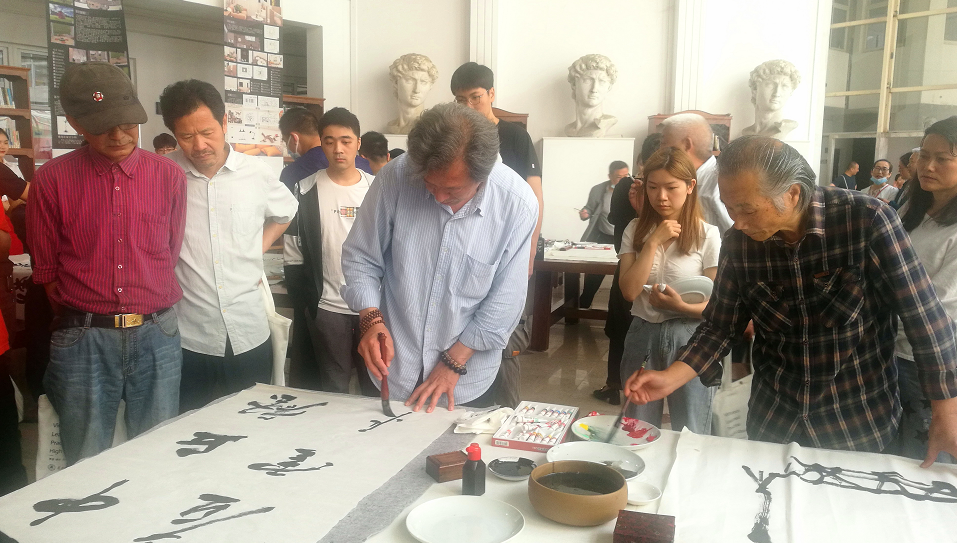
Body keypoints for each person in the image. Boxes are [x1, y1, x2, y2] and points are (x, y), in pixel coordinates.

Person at [625, 135, 957, 466]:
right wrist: (671, 377)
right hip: (775, 419)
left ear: (793, 193)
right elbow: (720, 326)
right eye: (729, 206)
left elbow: (923, 316)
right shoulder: (740, 243)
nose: (738, 222)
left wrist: (946, 411)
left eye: (748, 209)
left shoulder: (865, 220)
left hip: (855, 419)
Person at [27, 62, 187, 464]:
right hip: (84, 337)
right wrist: (87, 316)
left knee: (157, 454)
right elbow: (47, 273)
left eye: (127, 123)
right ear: (75, 123)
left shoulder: (168, 176)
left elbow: (169, 250)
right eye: (103, 126)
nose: (119, 135)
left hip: (157, 333)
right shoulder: (52, 179)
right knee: (86, 458)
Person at [341, 103, 538, 413]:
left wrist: (453, 362)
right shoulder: (396, 177)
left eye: (453, 190)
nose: (439, 197)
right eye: (429, 184)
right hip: (392, 368)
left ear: (482, 176)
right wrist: (370, 318)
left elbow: (506, 301)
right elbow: (361, 257)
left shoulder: (517, 204)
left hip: (466, 380)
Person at [159, 79, 298, 412]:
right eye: (186, 136)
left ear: (224, 122)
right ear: (174, 134)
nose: (200, 145)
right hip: (189, 335)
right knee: (189, 426)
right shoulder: (164, 174)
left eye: (207, 132)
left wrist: (257, 248)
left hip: (248, 329)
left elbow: (286, 211)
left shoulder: (256, 173)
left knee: (251, 422)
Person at [451, 62, 544, 408]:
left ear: (491, 94)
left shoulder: (515, 136)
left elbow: (534, 196)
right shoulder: (456, 136)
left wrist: (529, 252)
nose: (469, 106)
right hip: (467, 246)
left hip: (508, 246)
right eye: (460, 100)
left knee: (503, 334)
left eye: (475, 97)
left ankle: (505, 410)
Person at [617, 147, 720, 433]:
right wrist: (652, 243)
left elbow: (717, 305)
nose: (661, 196)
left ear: (690, 186)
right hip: (643, 332)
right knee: (636, 428)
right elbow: (629, 291)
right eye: (652, 187)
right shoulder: (634, 230)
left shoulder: (708, 235)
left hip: (690, 337)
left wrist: (681, 307)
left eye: (671, 188)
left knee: (691, 429)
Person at [278, 107, 371, 391]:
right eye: (329, 141)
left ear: (358, 143)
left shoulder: (376, 189)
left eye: (345, 141)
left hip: (372, 306)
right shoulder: (305, 189)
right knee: (333, 385)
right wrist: (308, 305)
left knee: (374, 382)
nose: (338, 149)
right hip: (327, 307)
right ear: (321, 143)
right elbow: (293, 250)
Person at [896, 116, 957, 463]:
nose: (927, 166)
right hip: (890, 351)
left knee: (924, 461)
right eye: (924, 155)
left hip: (927, 363)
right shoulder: (912, 207)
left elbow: (940, 307)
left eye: (942, 159)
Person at [594, 133, 660, 405]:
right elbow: (623, 234)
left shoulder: (629, 187)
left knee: (634, 328)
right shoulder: (628, 187)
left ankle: (617, 384)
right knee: (624, 325)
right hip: (632, 264)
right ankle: (618, 384)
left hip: (638, 264)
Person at [659, 113, 732, 235]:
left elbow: (734, 234)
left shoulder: (720, 184)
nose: (660, 150)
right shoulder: (678, 177)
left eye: (664, 143)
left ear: (687, 145)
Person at [577, 160, 630, 309]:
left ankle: (620, 309)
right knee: (596, 273)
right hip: (603, 236)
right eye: (619, 177)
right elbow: (589, 208)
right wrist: (585, 213)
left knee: (623, 272)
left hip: (624, 236)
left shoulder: (632, 189)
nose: (624, 180)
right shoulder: (598, 190)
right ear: (610, 176)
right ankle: (584, 302)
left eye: (626, 176)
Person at [741, 59, 801, 139]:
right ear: (755, 90)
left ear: (791, 92)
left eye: (784, 86)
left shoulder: (785, 127)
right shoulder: (747, 132)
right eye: (770, 85)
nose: (777, 93)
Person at [564, 54, 618, 137]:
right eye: (588, 80)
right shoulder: (569, 129)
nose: (594, 89)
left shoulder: (604, 123)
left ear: (609, 87)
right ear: (574, 84)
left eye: (602, 81)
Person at [386, 53, 439, 135]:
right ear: (396, 82)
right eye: (409, 81)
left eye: (423, 82)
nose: (416, 90)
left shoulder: (431, 127)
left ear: (430, 86)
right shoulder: (392, 126)